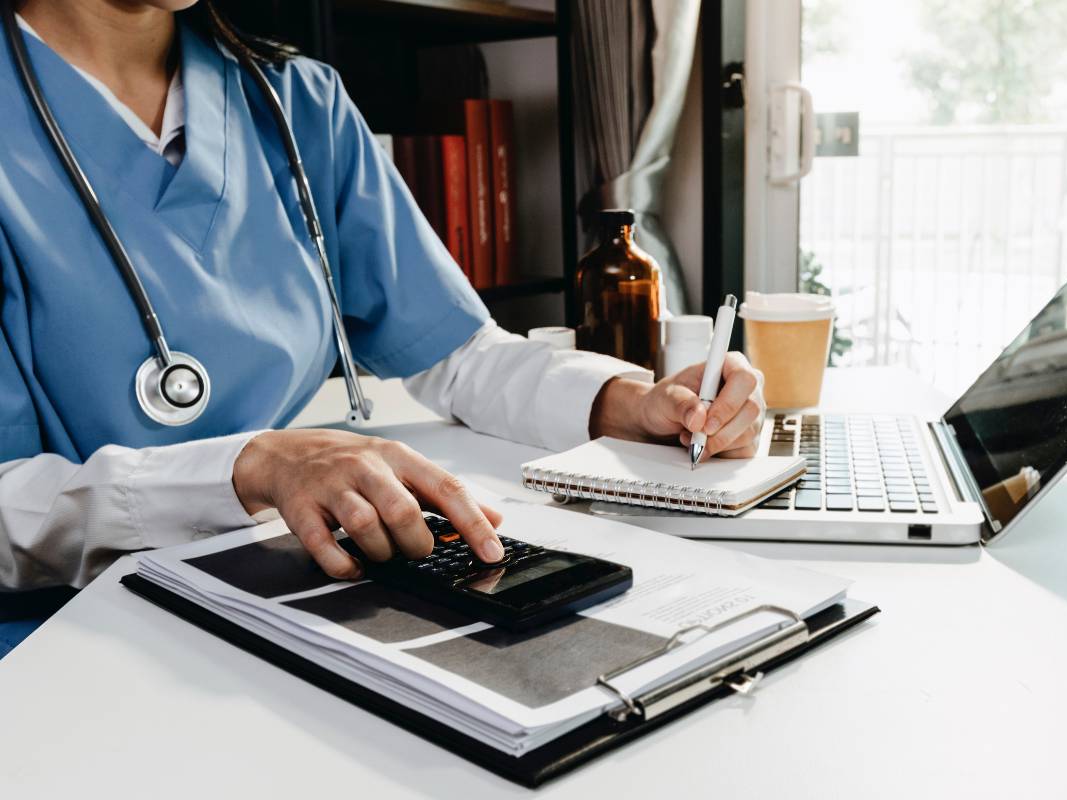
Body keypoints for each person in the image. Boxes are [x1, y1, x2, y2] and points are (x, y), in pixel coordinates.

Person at [0, 0, 764, 656]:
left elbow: (456, 353)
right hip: (69, 637)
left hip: (299, 585)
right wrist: (251, 467)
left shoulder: (297, 103)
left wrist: (628, 403)